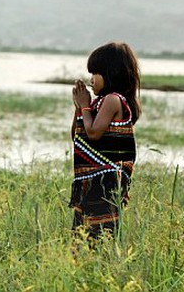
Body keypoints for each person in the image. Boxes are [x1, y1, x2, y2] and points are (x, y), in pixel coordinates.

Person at [69, 41, 141, 240]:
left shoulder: (113, 100)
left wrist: (85, 106)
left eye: (96, 74)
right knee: (82, 232)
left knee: (99, 232)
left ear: (112, 73)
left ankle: (101, 264)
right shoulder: (99, 102)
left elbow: (93, 133)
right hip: (93, 181)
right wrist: (79, 108)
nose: (92, 80)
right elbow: (78, 135)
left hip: (105, 181)